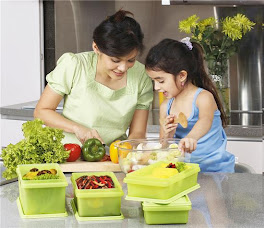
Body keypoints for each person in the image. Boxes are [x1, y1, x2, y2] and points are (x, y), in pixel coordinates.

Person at [34, 10, 153, 146]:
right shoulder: (75, 65)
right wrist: (77, 128)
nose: (123, 68)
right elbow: (42, 111)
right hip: (69, 154)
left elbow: (137, 134)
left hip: (112, 157)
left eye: (131, 60)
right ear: (96, 47)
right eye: (115, 60)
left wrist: (128, 152)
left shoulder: (141, 76)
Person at [145, 38, 235, 172]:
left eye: (161, 81)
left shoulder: (203, 98)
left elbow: (205, 120)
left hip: (214, 170)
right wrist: (168, 136)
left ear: (181, 76)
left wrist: (191, 137)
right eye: (154, 81)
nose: (156, 87)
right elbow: (163, 146)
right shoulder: (166, 107)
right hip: (184, 170)